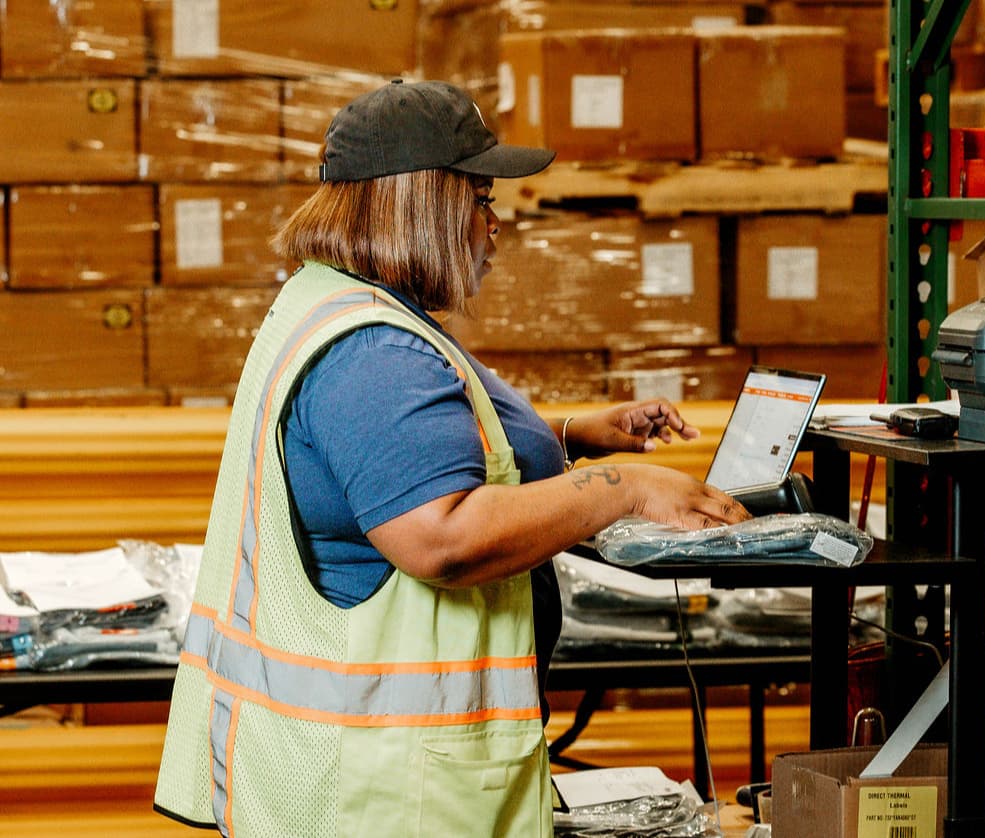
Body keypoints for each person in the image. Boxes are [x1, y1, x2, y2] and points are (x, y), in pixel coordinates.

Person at [154, 79, 750, 837]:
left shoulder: (338, 302)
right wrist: (624, 489)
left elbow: (408, 453)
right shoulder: (373, 352)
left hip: (371, 773)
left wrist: (569, 436)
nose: (494, 226)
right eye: (481, 199)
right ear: (423, 204)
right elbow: (441, 536)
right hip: (389, 787)